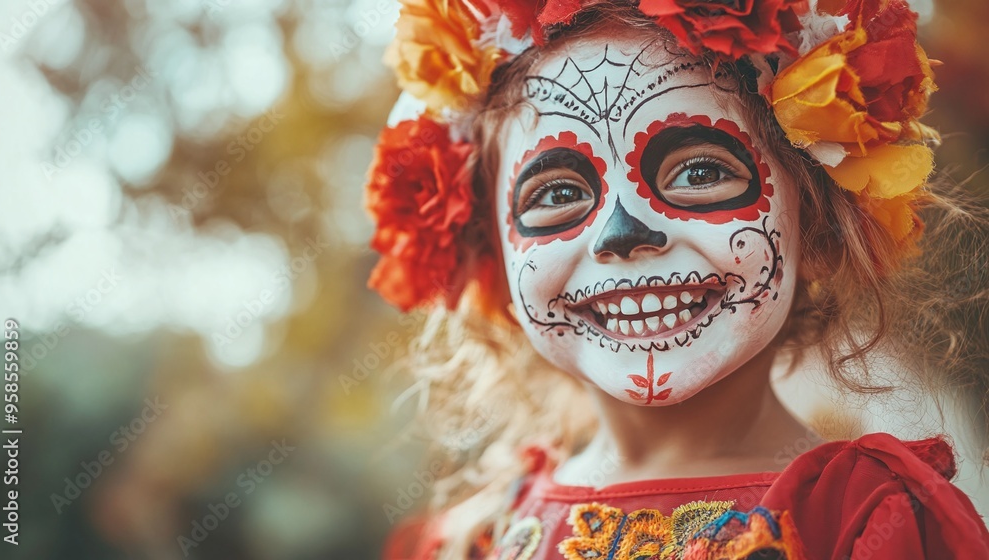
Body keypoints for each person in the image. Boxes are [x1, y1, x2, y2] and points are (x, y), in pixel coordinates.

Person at [364, 0, 989, 558]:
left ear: (819, 223)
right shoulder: (478, 537)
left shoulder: (866, 522)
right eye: (557, 192)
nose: (622, 232)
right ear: (495, 261)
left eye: (697, 173)